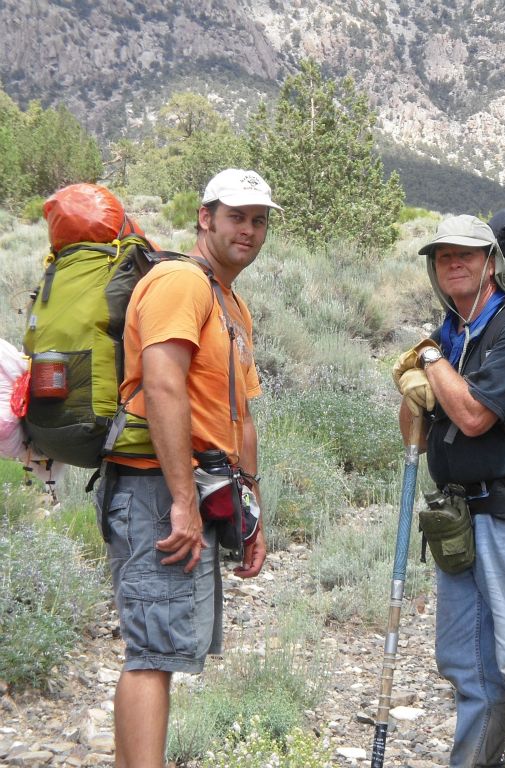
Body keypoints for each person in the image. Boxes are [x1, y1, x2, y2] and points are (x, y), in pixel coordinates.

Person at [95, 168, 279, 768]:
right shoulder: (179, 281)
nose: (248, 231)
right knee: (151, 653)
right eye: (235, 217)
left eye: (258, 220)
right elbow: (163, 384)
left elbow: (240, 416)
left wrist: (250, 513)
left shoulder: (230, 302)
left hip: (188, 489)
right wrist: (181, 501)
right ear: (206, 218)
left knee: (162, 651)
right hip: (155, 489)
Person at [393, 215, 505, 767]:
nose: (454, 262)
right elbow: (414, 433)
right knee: (468, 665)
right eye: (443, 255)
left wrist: (426, 360)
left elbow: (471, 416)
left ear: (491, 262)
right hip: (460, 519)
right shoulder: (451, 334)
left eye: (466, 253)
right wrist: (415, 386)